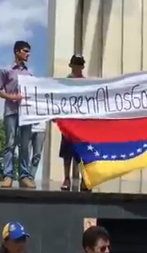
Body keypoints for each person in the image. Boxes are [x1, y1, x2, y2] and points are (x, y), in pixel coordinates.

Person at [0, 41, 35, 188]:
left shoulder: (30, 73)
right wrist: (11, 97)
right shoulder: (5, 70)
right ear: (17, 51)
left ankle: (24, 176)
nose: (28, 54)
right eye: (25, 51)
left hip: (26, 113)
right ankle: (8, 175)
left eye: (28, 51)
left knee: (25, 145)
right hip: (11, 112)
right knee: (10, 144)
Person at [60, 54, 89, 191]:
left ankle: (85, 179)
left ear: (83, 66)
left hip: (82, 123)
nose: (78, 67)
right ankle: (66, 178)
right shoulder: (65, 82)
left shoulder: (87, 83)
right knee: (67, 153)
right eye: (75, 64)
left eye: (80, 64)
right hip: (68, 122)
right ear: (71, 66)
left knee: (83, 153)